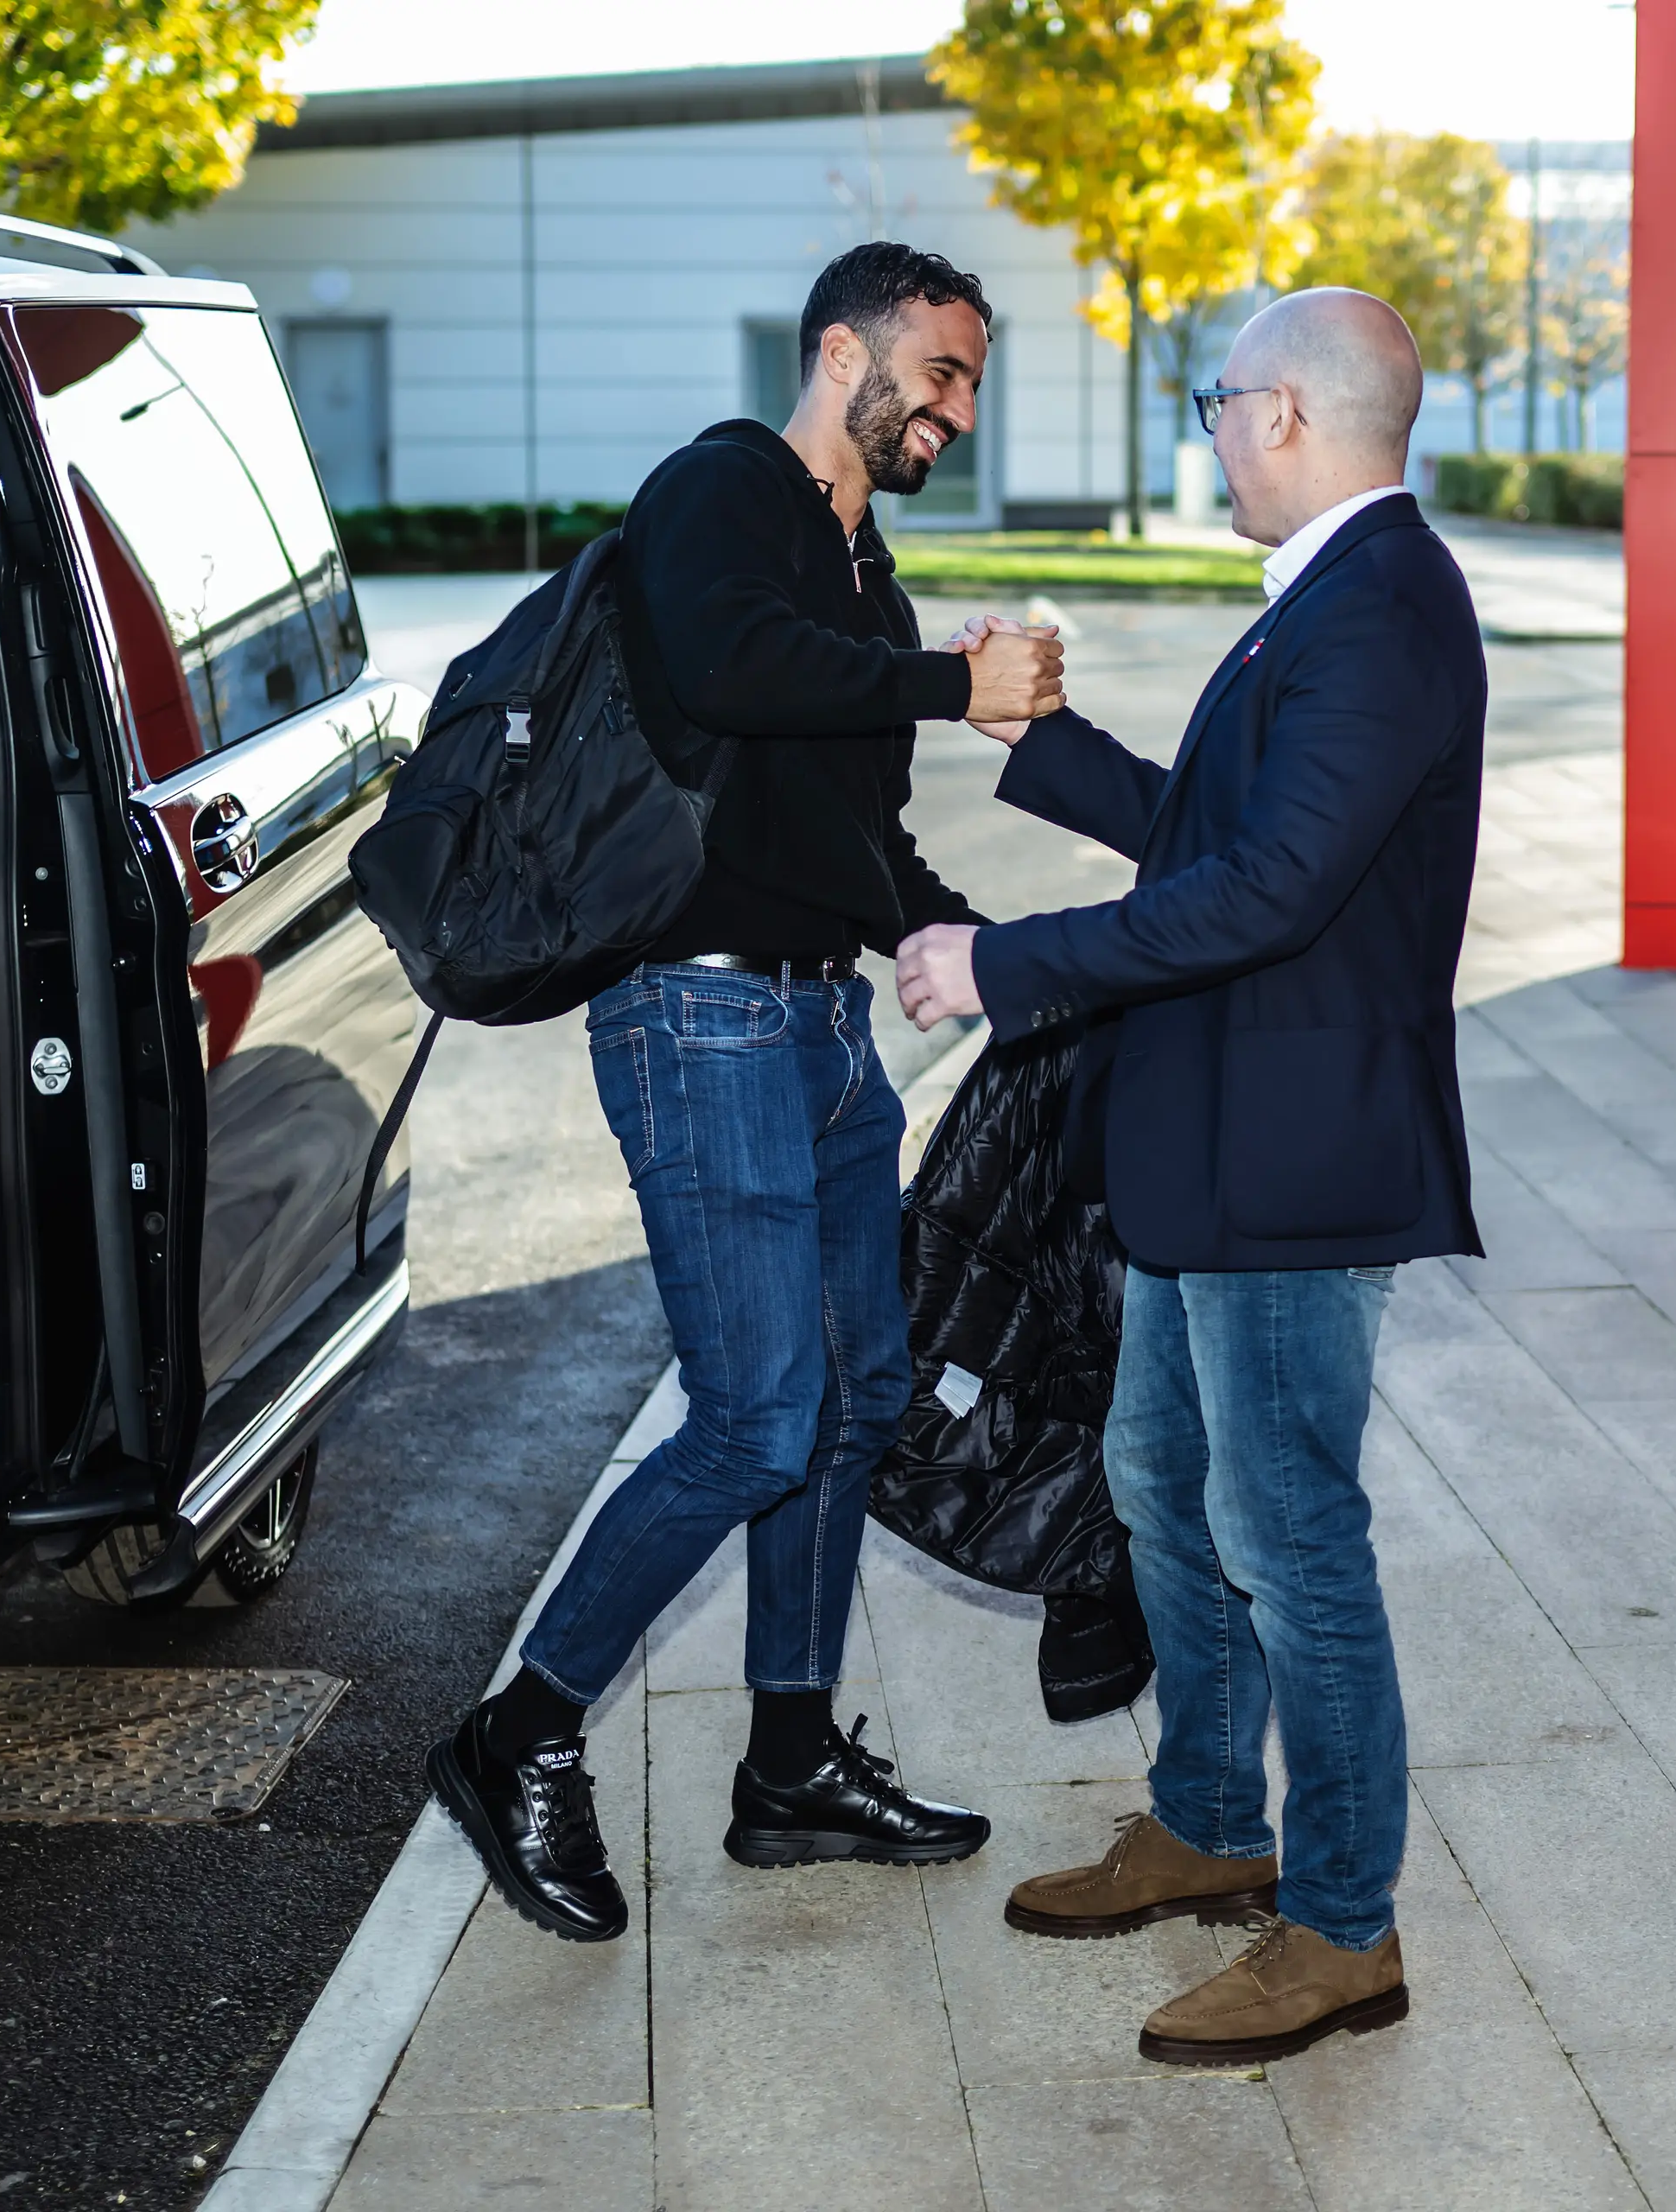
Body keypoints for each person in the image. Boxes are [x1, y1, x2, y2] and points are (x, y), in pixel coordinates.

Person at [429, 243, 1066, 1944]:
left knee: (857, 1398)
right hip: (698, 1023)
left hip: (823, 1035)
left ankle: (788, 1762)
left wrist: (1012, 963)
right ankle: (520, 1730)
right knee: (754, 1415)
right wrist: (952, 683)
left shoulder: (869, 580)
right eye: (941, 368)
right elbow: (722, 663)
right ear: (843, 349)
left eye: (976, 381)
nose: (960, 406)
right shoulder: (719, 489)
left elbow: (864, 838)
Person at [892, 287, 1485, 2063]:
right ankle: (1215, 1815)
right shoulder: (1325, 597)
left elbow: (1269, 895)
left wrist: (1005, 965)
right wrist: (1041, 749)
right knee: (1162, 1472)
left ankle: (1343, 1925)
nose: (1209, 430)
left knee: (1292, 1532)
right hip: (1214, 1141)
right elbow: (1228, 839)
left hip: (1297, 1161)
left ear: (1289, 413)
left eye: (1219, 401)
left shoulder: (1381, 608)